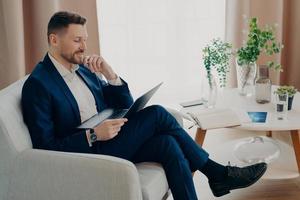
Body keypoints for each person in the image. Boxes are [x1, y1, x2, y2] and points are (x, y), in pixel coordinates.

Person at [21, 11, 267, 200]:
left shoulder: (84, 70)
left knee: (168, 144)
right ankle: (218, 174)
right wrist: (93, 135)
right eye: (77, 40)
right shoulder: (38, 85)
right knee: (159, 114)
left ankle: (216, 178)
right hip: (87, 154)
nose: (84, 47)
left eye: (84, 39)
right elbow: (45, 145)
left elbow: (125, 105)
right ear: (54, 39)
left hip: (110, 138)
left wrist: (111, 74)